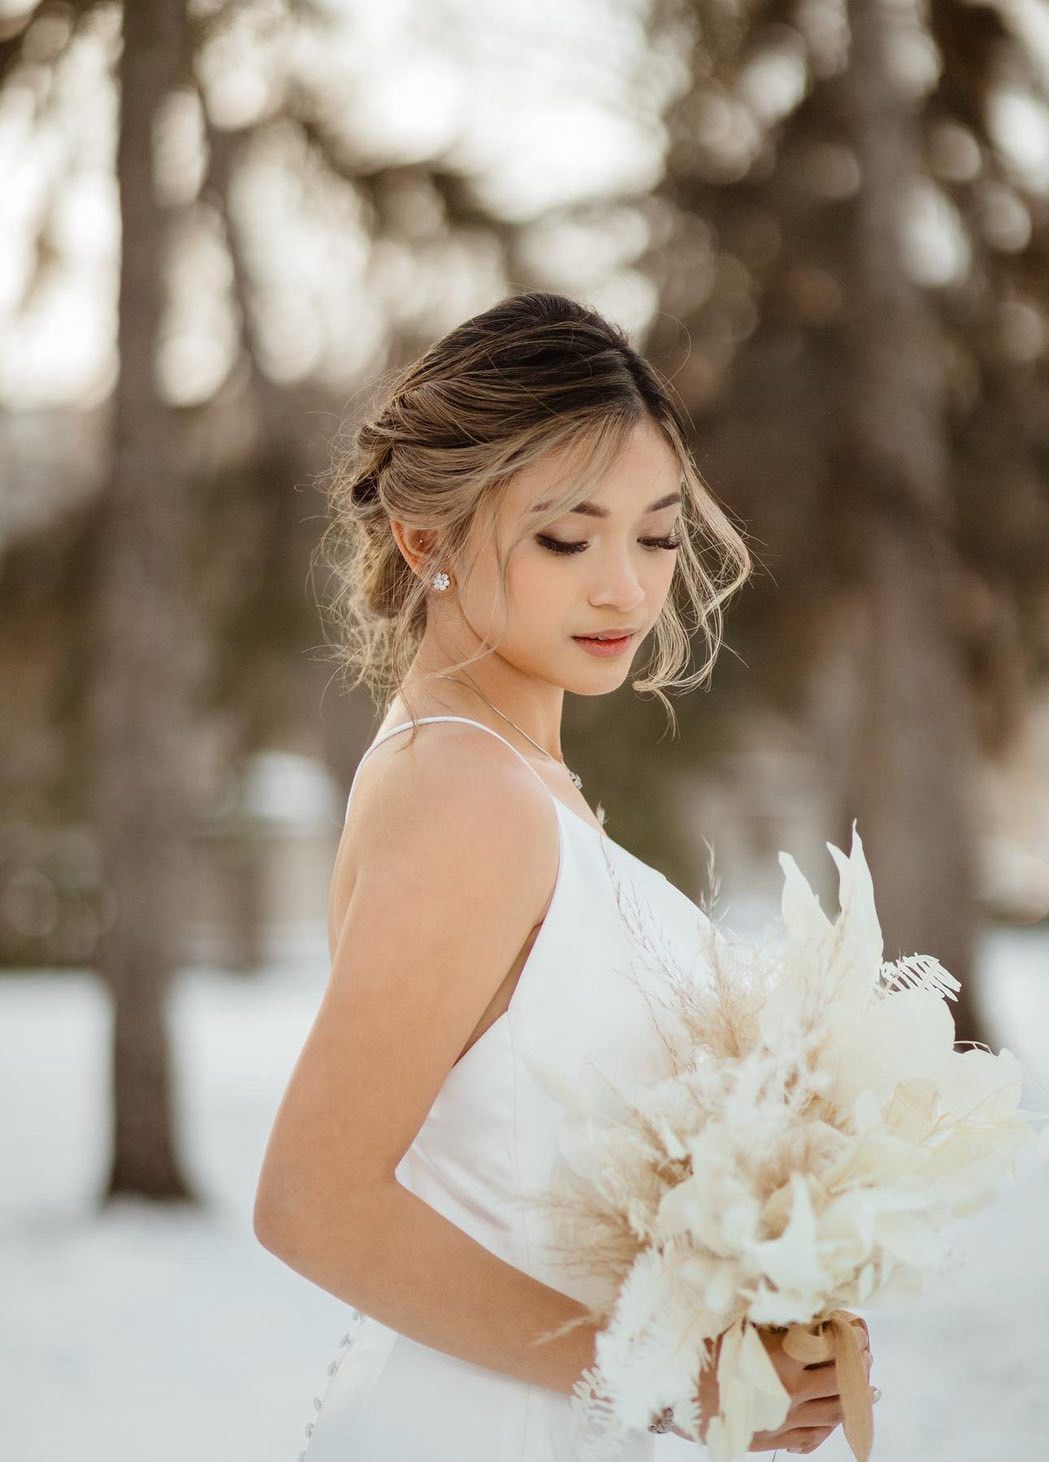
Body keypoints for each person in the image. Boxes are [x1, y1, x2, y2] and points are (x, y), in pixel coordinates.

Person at [253, 290, 873, 1459]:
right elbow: (313, 1203)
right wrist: (665, 1374)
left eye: (655, 534)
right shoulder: (467, 796)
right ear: (424, 537)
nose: (627, 589)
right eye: (565, 536)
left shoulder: (520, 785)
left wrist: (766, 1306)